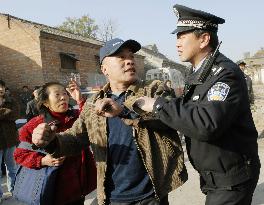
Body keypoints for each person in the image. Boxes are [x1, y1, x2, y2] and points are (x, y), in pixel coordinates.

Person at [31, 38, 188, 205]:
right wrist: (52, 141)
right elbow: (76, 139)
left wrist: (124, 111)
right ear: (104, 69)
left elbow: (170, 118)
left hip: (151, 195)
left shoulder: (154, 89)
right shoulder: (93, 104)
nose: (129, 61)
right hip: (112, 197)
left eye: (131, 57)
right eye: (121, 57)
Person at [131, 5, 261, 205]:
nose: (177, 43)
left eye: (182, 36)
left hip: (232, 179)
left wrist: (157, 105)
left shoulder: (225, 74)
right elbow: (187, 113)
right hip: (216, 176)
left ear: (204, 39)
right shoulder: (200, 73)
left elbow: (206, 124)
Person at [14, 81, 97, 205]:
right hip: (52, 188)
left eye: (65, 93)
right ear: (46, 102)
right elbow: (19, 155)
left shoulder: (76, 117)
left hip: (78, 185)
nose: (63, 97)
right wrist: (43, 161)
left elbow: (92, 119)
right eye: (57, 94)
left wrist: (80, 100)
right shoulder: (34, 125)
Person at [0, 80, 19, 202]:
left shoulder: (11, 100)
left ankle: (14, 190)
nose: (0, 89)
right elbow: (10, 114)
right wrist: (7, 112)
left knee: (12, 167)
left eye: (1, 86)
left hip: (10, 140)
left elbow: (16, 114)